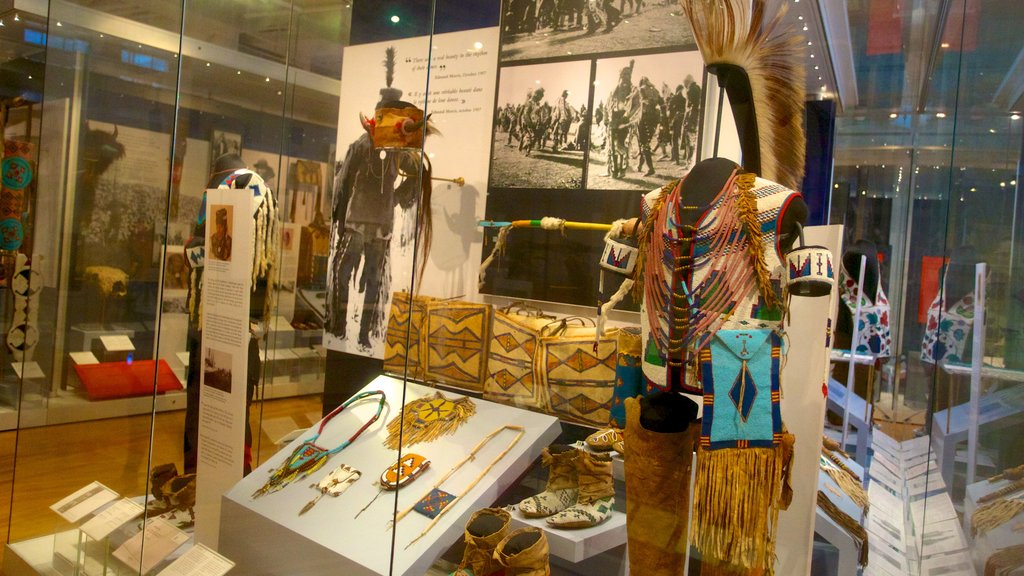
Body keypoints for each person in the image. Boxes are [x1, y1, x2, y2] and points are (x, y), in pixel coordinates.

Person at [636, 77, 661, 176]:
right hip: (653, 121)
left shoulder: (641, 89)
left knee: (644, 144)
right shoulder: (655, 90)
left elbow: (644, 102)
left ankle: (650, 169)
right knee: (645, 143)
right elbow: (661, 103)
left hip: (644, 119)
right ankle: (639, 165)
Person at [682, 74, 702, 167]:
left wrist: (687, 121)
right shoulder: (698, 88)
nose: (684, 84)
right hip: (696, 117)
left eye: (685, 82)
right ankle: (690, 162)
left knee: (690, 142)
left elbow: (691, 106)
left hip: (691, 118)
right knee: (693, 141)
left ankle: (689, 163)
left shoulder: (691, 90)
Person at [668, 84, 687, 164]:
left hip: (676, 120)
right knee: (682, 138)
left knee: (674, 139)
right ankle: (682, 156)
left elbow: (669, 109)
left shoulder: (674, 98)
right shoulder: (684, 99)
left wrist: (670, 121)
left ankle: (676, 159)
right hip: (683, 120)